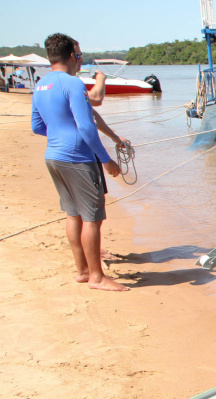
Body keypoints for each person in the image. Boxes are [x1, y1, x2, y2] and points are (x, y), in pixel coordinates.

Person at [31, 33, 125, 292]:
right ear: (72, 56)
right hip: (78, 158)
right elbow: (86, 126)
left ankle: (83, 271)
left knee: (73, 214)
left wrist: (60, 133)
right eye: (80, 54)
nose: (80, 59)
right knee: (92, 218)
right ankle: (97, 277)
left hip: (54, 156)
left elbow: (37, 126)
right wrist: (107, 160)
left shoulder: (40, 85)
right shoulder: (72, 84)